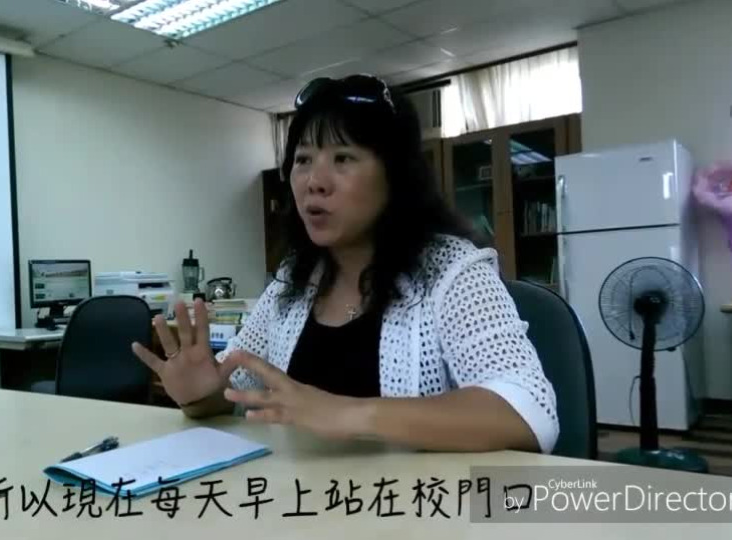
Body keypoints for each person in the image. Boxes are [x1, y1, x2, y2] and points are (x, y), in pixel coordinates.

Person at [133, 74, 559, 454]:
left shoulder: (452, 271)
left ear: (395, 175)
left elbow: (528, 411)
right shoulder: (292, 282)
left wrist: (348, 414)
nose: (314, 182)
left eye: (343, 158)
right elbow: (239, 390)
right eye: (303, 160)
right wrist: (201, 396)